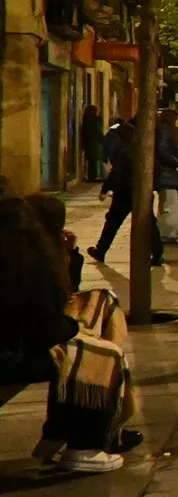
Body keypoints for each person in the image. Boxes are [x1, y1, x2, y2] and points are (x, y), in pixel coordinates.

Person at [0, 197, 140, 473]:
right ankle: (85, 445)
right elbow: (44, 325)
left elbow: (64, 295)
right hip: (12, 354)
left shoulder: (21, 257)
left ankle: (94, 427)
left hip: (17, 344)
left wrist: (69, 254)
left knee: (102, 304)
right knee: (97, 354)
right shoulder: (18, 262)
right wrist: (76, 330)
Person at [89, 116, 165, 266]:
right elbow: (157, 168)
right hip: (142, 191)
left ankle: (101, 250)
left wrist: (105, 189)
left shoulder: (122, 151)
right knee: (148, 223)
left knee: (113, 221)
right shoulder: (144, 149)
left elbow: (116, 172)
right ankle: (157, 254)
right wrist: (152, 184)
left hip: (124, 192)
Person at [155, 109, 178, 243]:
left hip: (164, 173)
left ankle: (164, 233)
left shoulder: (162, 131)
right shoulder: (166, 132)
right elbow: (162, 151)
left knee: (166, 205)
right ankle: (169, 234)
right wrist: (176, 162)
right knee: (170, 205)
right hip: (167, 173)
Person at [80, 103, 104, 182]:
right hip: (94, 144)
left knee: (91, 161)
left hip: (88, 144)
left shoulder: (86, 120)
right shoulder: (94, 121)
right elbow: (98, 132)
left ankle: (91, 176)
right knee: (94, 161)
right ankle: (93, 177)